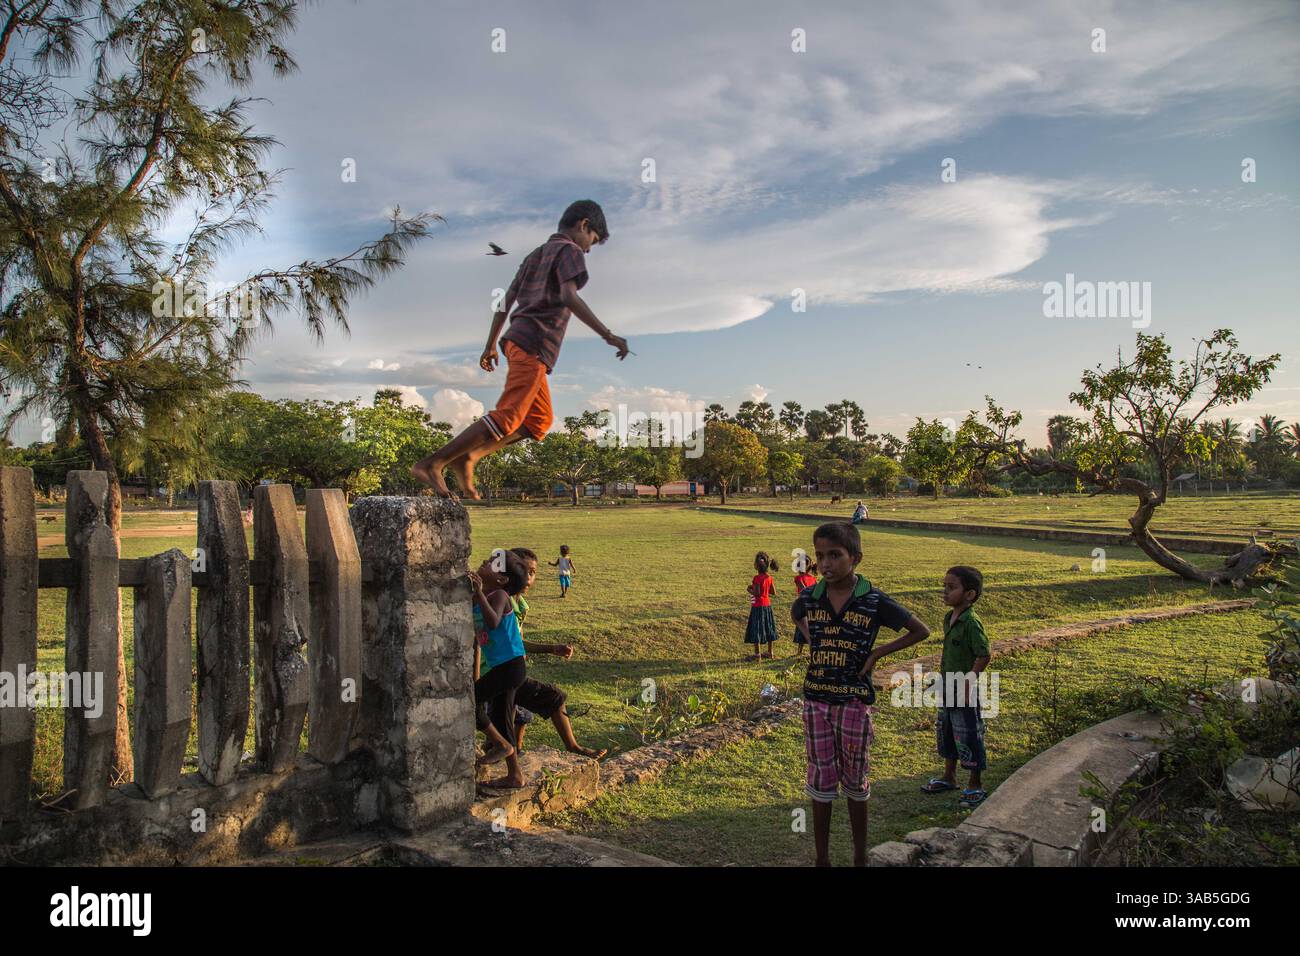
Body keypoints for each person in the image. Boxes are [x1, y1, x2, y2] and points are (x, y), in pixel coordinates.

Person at [411, 200, 629, 499]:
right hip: (534, 342)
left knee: (539, 420)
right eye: (593, 239)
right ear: (584, 225)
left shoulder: (535, 255)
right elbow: (569, 295)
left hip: (518, 340)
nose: (589, 249)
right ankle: (433, 463)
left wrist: (490, 344)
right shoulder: (570, 251)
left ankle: (470, 456)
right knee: (509, 415)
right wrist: (608, 335)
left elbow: (505, 301)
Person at [791, 521, 930, 866]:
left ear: (855, 558)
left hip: (853, 702)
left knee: (855, 780)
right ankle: (822, 858)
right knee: (820, 779)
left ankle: (858, 857)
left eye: (835, 555)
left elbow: (920, 630)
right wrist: (814, 640)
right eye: (820, 555)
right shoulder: (810, 596)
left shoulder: (872, 599)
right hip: (816, 700)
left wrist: (877, 653)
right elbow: (796, 613)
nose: (825, 564)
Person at [494, 548, 607, 760]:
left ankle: (513, 752)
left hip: (512, 671)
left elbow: (518, 641)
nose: (528, 578)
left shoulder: (519, 603)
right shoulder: (503, 603)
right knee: (552, 697)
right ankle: (572, 747)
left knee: (520, 715)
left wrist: (552, 648)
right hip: (501, 673)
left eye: (532, 573)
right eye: (523, 571)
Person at [921, 565, 991, 809]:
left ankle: (975, 784)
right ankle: (949, 776)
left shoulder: (971, 622)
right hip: (947, 685)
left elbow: (983, 654)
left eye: (951, 587)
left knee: (969, 733)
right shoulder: (948, 618)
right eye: (944, 586)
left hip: (964, 689)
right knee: (947, 731)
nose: (945, 591)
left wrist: (969, 681)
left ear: (969, 594)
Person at [470, 550, 531, 789]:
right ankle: (515, 774)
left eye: (491, 563)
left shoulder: (500, 595)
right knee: (501, 718)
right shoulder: (484, 595)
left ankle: (501, 744)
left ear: (501, 579)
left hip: (511, 666)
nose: (485, 562)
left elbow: (493, 622)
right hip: (504, 666)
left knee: (471, 700)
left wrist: (478, 593)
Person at [745, 552, 780, 660]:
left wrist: (749, 589)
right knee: (769, 627)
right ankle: (770, 652)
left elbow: (757, 593)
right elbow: (773, 592)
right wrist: (765, 589)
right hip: (767, 606)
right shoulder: (769, 577)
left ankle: (757, 655)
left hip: (757, 606)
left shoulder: (756, 578)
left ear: (756, 565)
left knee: (757, 629)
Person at [791, 559, 818, 656]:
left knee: (802, 629)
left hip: (802, 605)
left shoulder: (798, 578)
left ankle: (799, 652)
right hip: (812, 605)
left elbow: (803, 590)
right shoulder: (813, 578)